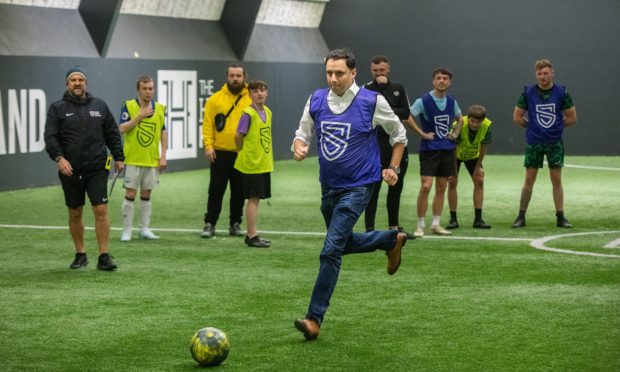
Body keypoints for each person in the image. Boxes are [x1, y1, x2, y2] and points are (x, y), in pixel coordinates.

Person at [292, 49, 409, 341]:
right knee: (342, 243)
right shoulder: (316, 99)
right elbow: (302, 131)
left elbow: (399, 135)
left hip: (359, 187)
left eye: (339, 73)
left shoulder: (372, 101)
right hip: (328, 187)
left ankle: (313, 318)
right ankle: (390, 240)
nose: (333, 79)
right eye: (329, 73)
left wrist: (393, 166)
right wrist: (299, 144)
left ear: (353, 73)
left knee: (330, 249)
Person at [44, 66, 124, 271]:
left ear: (86, 83)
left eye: (81, 79)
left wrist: (119, 157)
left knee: (101, 209)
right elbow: (50, 138)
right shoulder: (57, 108)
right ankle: (80, 254)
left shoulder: (100, 105)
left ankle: (104, 256)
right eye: (73, 80)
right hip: (69, 170)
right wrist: (59, 159)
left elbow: (112, 133)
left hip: (97, 168)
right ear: (67, 84)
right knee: (75, 213)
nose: (77, 83)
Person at [512, 59, 577, 228]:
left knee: (556, 180)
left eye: (545, 73)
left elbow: (572, 118)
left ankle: (561, 217)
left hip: (555, 143)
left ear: (552, 73)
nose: (542, 76)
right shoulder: (528, 92)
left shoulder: (562, 92)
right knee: (528, 180)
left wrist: (555, 127)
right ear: (536, 75)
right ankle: (520, 216)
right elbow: (517, 117)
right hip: (534, 143)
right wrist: (532, 126)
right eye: (539, 74)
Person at [408, 68, 463, 237]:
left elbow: (460, 118)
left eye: (445, 78)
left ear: (449, 82)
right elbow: (407, 116)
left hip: (446, 149)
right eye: (438, 78)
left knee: (442, 187)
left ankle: (436, 224)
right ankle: (420, 225)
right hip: (429, 150)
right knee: (426, 186)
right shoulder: (423, 100)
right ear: (433, 81)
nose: (441, 81)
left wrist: (454, 134)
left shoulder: (451, 101)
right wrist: (422, 134)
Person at [363, 55, 413, 237]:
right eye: (375, 71)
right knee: (373, 188)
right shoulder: (366, 90)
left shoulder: (398, 89)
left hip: (397, 146)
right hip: (375, 147)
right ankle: (369, 228)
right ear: (371, 71)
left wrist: (385, 103)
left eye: (381, 70)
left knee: (396, 186)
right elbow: (366, 113)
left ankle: (394, 227)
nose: (378, 74)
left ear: (388, 69)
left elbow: (406, 113)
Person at [201, 63, 252, 238]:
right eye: (232, 76)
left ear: (244, 77)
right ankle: (209, 223)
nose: (235, 79)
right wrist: (208, 146)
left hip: (241, 154)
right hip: (220, 152)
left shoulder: (251, 99)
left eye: (238, 75)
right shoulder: (215, 99)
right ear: (227, 77)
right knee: (215, 190)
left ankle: (235, 224)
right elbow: (208, 124)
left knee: (239, 191)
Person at [118, 75, 168, 241]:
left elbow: (163, 132)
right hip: (132, 158)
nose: (148, 92)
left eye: (150, 88)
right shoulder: (129, 105)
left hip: (151, 159)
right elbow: (122, 129)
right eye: (145, 88)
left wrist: (163, 155)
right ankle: (127, 230)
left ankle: (144, 229)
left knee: (147, 194)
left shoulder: (160, 108)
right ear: (138, 90)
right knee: (130, 194)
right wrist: (140, 116)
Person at [234, 80, 273, 248]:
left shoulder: (267, 112)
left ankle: (252, 233)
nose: (260, 93)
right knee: (253, 199)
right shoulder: (248, 113)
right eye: (256, 91)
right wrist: (241, 150)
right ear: (249, 94)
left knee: (256, 199)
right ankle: (251, 235)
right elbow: (238, 135)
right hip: (252, 164)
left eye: (263, 90)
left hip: (263, 163)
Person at [446, 105, 493, 229]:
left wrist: (478, 167)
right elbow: (452, 148)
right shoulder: (460, 124)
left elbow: (483, 147)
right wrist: (453, 170)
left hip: (473, 156)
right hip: (455, 155)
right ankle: (453, 219)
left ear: (483, 120)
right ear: (468, 118)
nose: (475, 124)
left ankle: (478, 219)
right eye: (472, 121)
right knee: (452, 182)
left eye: (478, 122)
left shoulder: (487, 126)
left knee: (479, 181)